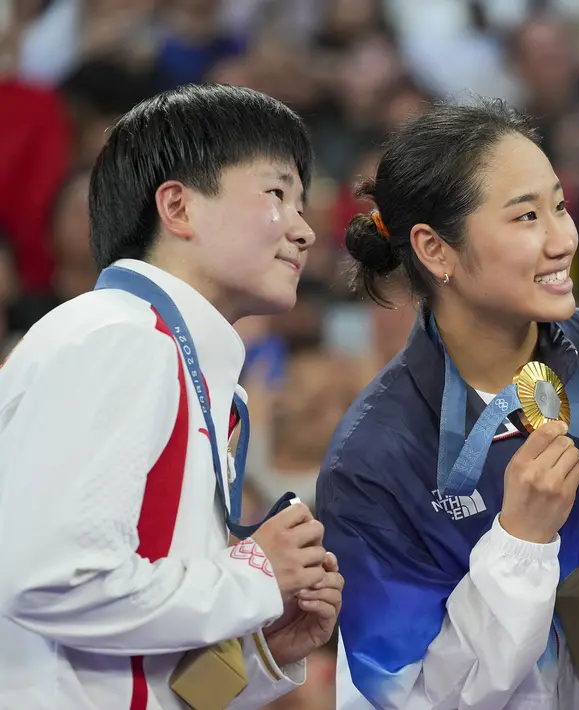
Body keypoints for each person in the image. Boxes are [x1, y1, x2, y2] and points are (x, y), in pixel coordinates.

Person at [0, 84, 343, 709]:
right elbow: (51, 582)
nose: (304, 230)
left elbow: (143, 673)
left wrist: (261, 649)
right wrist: (254, 576)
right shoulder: (119, 337)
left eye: (303, 202)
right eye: (277, 194)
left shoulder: (186, 369)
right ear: (179, 207)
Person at [316, 98, 579, 709]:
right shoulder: (375, 460)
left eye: (560, 206)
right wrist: (520, 540)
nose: (562, 239)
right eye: (525, 217)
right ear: (435, 250)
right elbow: (407, 696)